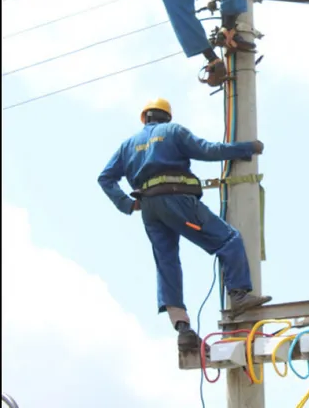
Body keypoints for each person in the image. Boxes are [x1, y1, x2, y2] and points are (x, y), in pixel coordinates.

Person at [97, 97, 272, 352]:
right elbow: (208, 150)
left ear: (145, 118)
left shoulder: (128, 145)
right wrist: (247, 148)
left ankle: (182, 328)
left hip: (149, 208)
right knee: (228, 240)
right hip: (177, 199)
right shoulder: (173, 131)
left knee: (167, 263)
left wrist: (126, 203)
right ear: (167, 117)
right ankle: (239, 295)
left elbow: (105, 178)